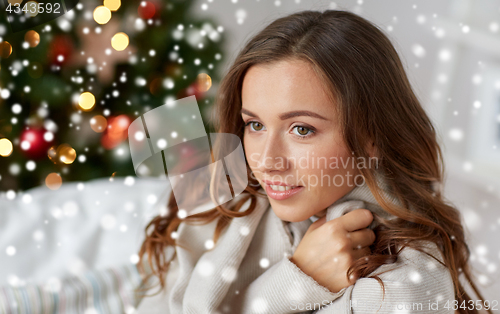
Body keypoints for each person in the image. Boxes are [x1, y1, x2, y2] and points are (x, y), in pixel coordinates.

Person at [134, 9, 492, 314]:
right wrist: (298, 275)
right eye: (255, 124)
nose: (267, 160)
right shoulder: (224, 190)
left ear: (373, 138)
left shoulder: (405, 284)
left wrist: (291, 285)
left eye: (301, 129)